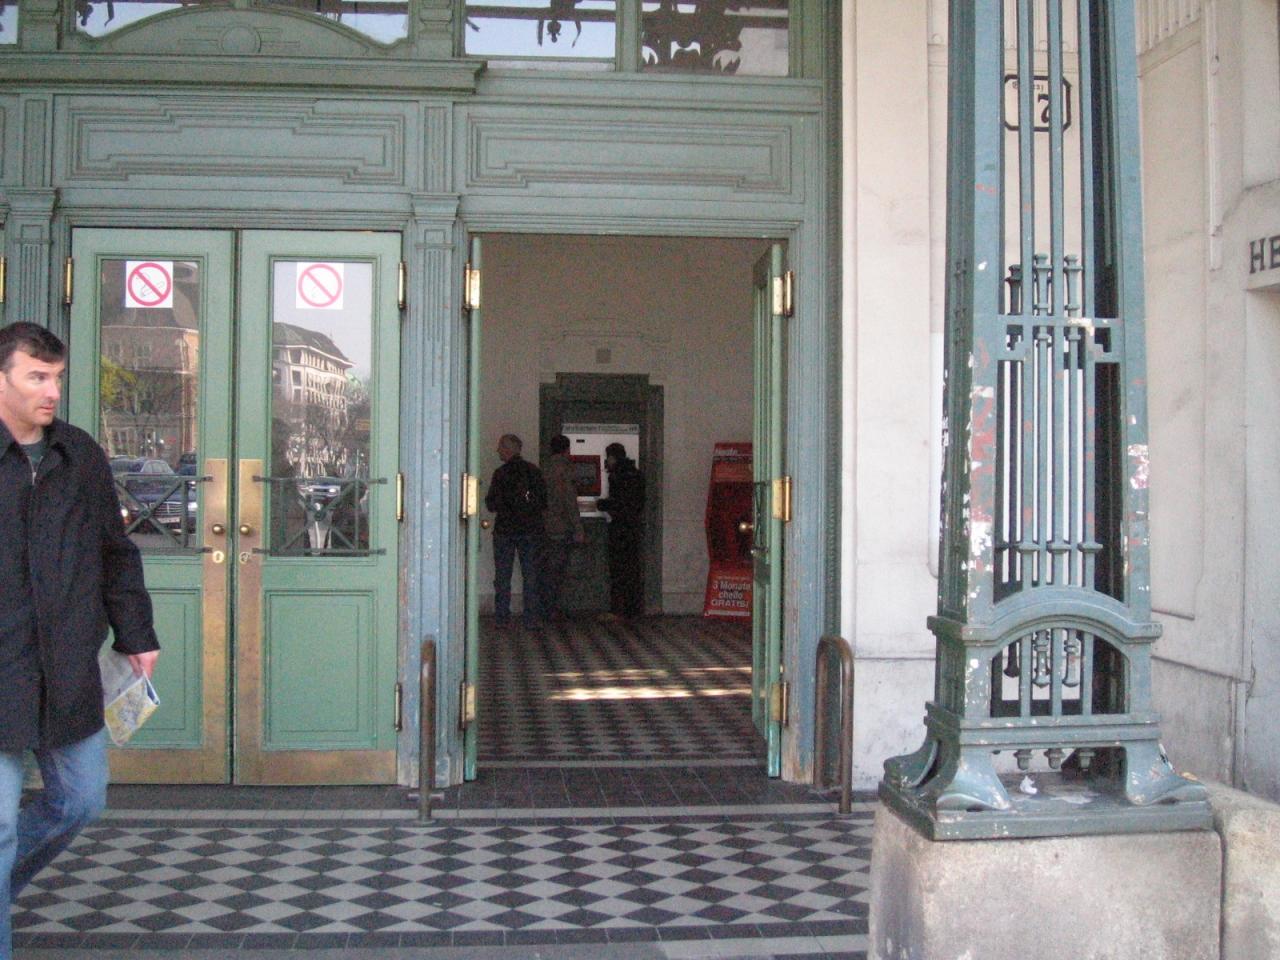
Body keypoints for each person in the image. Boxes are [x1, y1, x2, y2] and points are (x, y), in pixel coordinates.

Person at [0, 322, 159, 960]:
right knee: (0, 826)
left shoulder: (78, 454)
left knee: (82, 802)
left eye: (57, 377)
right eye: (37, 377)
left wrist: (136, 633)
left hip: (67, 665)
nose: (52, 391)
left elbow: (114, 552)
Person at [484, 433, 547, 627]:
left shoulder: (500, 473)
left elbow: (491, 504)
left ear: (508, 450)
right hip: (530, 529)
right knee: (531, 576)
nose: (498, 450)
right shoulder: (533, 471)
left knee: (502, 577)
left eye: (501, 447)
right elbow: (543, 501)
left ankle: (502, 618)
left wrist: (505, 506)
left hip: (505, 530)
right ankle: (531, 618)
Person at [597, 441, 645, 619]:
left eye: (608, 457)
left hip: (619, 528)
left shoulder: (617, 476)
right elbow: (637, 502)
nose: (607, 461)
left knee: (617, 570)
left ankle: (617, 609)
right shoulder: (637, 474)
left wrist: (601, 504)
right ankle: (633, 610)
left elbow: (617, 502)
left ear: (612, 457)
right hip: (633, 527)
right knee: (632, 569)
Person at [541, 434, 586, 620]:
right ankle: (552, 609)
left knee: (547, 569)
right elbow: (569, 501)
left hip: (545, 524)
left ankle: (545, 608)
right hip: (561, 526)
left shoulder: (544, 468)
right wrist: (578, 527)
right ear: (567, 450)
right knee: (558, 570)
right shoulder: (566, 469)